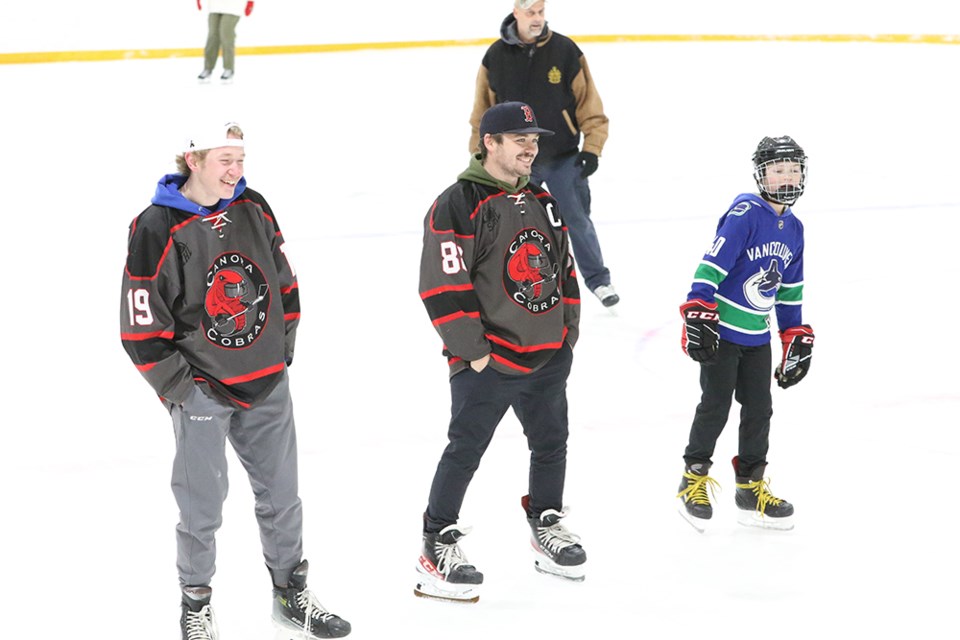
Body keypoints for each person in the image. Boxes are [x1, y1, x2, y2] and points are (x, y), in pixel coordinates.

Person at [120, 121, 351, 639]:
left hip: (267, 382)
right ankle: (196, 603)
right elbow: (140, 324)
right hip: (203, 390)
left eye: (241, 159)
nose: (236, 171)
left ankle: (291, 594)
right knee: (200, 506)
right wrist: (183, 390)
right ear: (193, 159)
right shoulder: (156, 226)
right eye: (225, 160)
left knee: (282, 496)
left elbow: (285, 283)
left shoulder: (255, 207)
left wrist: (278, 353)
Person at [415, 101, 586, 604]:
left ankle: (546, 524)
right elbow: (441, 285)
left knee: (552, 442)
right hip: (487, 360)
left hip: (547, 352)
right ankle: (436, 542)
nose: (531, 147)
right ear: (490, 142)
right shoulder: (458, 202)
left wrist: (567, 333)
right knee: (465, 449)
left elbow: (564, 266)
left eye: (534, 139)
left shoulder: (542, 196)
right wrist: (474, 351)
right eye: (519, 139)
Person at [675, 135, 815, 533]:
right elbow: (712, 263)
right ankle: (693, 480)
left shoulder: (796, 229)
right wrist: (698, 305)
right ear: (761, 174)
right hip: (723, 332)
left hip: (757, 337)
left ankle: (750, 488)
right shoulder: (744, 214)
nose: (786, 176)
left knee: (759, 410)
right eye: (777, 169)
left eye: (793, 168)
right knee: (715, 406)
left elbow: (790, 289)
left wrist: (793, 334)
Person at [469, 0, 618, 307]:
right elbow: (482, 112)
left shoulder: (565, 51)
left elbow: (589, 103)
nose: (537, 19)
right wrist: (480, 153)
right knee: (514, 225)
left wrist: (591, 148)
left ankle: (599, 281)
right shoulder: (495, 57)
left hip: (562, 156)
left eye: (541, 12)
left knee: (576, 220)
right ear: (516, 14)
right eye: (530, 13)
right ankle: (519, 284)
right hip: (515, 163)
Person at [196, 0, 254, 82]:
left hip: (233, 7)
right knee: (212, 36)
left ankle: (228, 68)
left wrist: (250, 2)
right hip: (215, 6)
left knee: (226, 35)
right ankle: (208, 68)